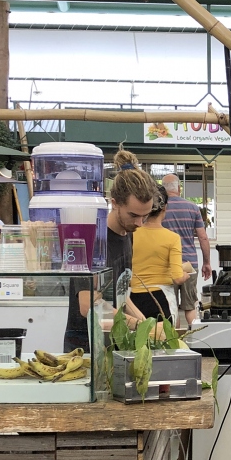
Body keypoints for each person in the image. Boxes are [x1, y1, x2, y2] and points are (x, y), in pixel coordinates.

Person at [63, 146, 158, 353]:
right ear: (114, 203)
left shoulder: (128, 232)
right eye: (134, 215)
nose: (140, 223)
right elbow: (88, 304)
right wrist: (138, 325)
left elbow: (120, 294)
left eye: (145, 216)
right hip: (86, 349)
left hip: (114, 345)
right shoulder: (91, 240)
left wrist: (146, 323)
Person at [132, 188, 190, 322]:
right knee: (164, 335)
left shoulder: (132, 234)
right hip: (161, 297)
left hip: (133, 297)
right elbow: (177, 278)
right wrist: (186, 274)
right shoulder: (172, 238)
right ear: (165, 208)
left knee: (137, 334)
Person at [160, 174, 211, 328]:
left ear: (163, 189)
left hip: (168, 265)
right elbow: (203, 237)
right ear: (179, 188)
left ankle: (174, 339)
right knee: (190, 306)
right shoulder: (192, 207)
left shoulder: (160, 209)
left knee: (171, 306)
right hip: (189, 264)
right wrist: (207, 262)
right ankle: (195, 338)